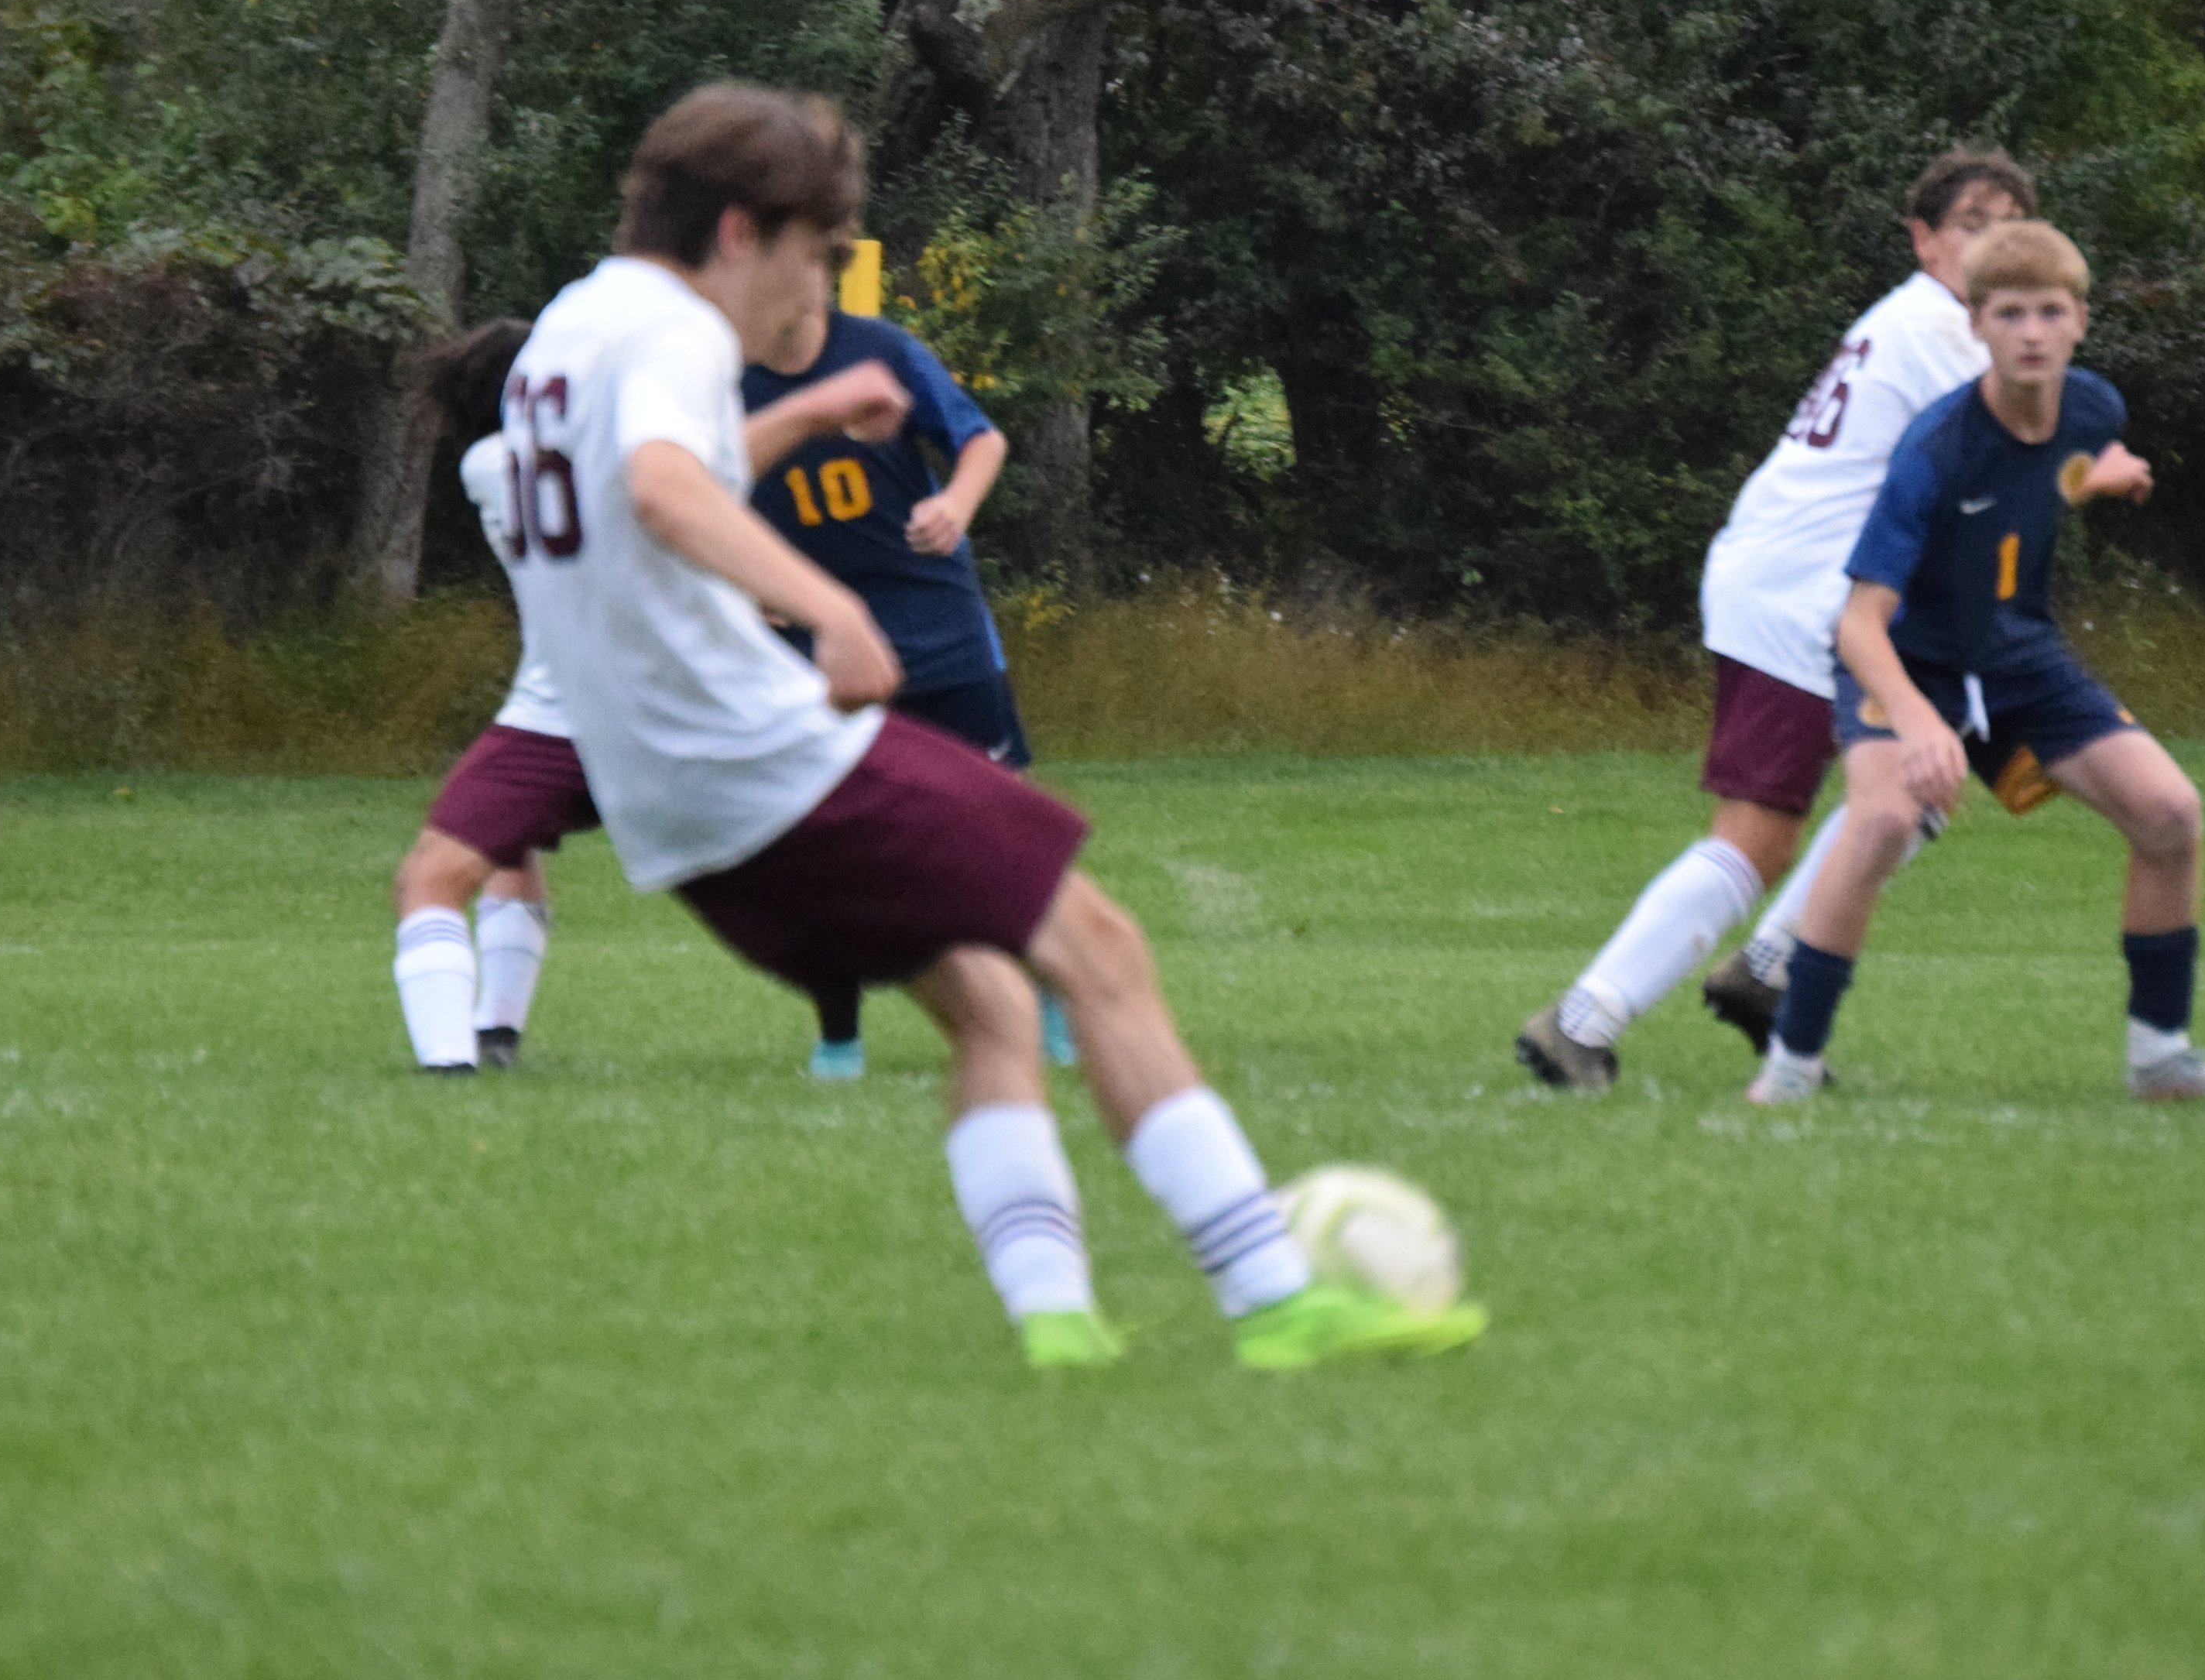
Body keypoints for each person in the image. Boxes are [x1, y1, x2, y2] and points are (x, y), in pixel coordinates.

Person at [489, 83, 1481, 1369]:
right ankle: (1276, 1296)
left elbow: (660, 476)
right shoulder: (676, 328)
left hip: (670, 795)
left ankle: (1056, 1323)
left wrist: (805, 414)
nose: (810, 293)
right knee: (1101, 946)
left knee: (990, 1004)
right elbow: (666, 489)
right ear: (739, 231)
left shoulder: (571, 329)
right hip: (767, 755)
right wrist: (830, 607)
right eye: (812, 257)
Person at [1741, 218, 2205, 1108]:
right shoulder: (1934, 450)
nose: (2031, 332)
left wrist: (2091, 482)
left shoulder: (2094, 409)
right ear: (1976, 326)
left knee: (2170, 814)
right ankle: (1789, 1070)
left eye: (2049, 311)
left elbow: (2036, 483)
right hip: (1910, 665)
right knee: (1880, 823)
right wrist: (1919, 723)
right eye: (2008, 314)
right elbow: (1858, 625)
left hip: (2018, 659)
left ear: (2081, 320)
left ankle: (2161, 1063)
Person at [1512, 148, 2029, 1093]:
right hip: (1803, 591)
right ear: (1923, 241)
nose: (1994, 241)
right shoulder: (1937, 330)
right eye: (1972, 223)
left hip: (1832, 588)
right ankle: (1580, 1023)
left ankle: (1771, 968)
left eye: (2011, 225)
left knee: (1919, 787)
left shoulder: (1940, 326)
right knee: (1760, 831)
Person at [388, 315, 915, 1072]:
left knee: (440, 874)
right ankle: (481, 1044)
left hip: (561, 717)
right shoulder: (542, 460)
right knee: (809, 870)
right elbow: (666, 502)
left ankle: (461, 1055)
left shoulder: (496, 466)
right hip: (656, 716)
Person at [736, 262, 1037, 1079]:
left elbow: (981, 439)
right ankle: (839, 1035)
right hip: (818, 639)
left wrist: (956, 505)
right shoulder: (723, 380)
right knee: (824, 844)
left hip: (936, 623)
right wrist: (743, 584)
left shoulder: (882, 351)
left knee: (997, 826)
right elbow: (694, 491)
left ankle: (1045, 987)